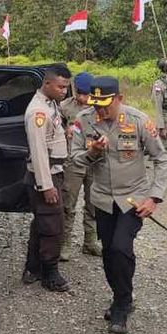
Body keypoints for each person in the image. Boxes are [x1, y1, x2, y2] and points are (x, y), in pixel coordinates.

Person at [71, 76, 167, 334]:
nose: (100, 111)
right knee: (109, 252)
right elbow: (74, 159)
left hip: (132, 199)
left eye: (105, 105)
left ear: (119, 99)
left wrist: (154, 197)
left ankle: (122, 305)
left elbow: (162, 158)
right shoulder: (84, 120)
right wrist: (92, 152)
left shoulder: (138, 121)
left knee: (120, 247)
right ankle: (121, 295)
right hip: (102, 198)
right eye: (96, 105)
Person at [22, 64, 71, 292]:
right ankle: (50, 272)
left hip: (55, 172)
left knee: (42, 221)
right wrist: (46, 185)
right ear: (47, 83)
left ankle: (33, 267)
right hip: (46, 175)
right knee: (53, 225)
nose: (64, 91)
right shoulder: (38, 112)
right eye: (61, 87)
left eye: (66, 87)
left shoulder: (51, 103)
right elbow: (39, 151)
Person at [59, 71, 101, 260]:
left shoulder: (100, 107)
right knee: (68, 204)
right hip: (74, 162)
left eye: (87, 94)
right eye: (80, 93)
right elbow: (53, 130)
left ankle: (90, 242)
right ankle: (64, 243)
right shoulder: (64, 107)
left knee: (93, 204)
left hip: (95, 162)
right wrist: (65, 131)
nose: (83, 98)